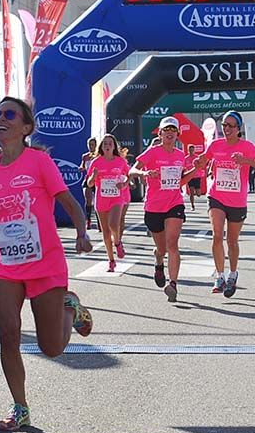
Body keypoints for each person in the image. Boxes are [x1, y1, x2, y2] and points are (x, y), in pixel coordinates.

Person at [0, 97, 93, 432]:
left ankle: (71, 307)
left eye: (9, 114)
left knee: (51, 347)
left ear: (26, 127)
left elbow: (69, 202)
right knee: (8, 333)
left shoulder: (39, 163)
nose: (0, 118)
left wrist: (82, 232)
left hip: (45, 262)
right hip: (7, 263)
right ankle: (20, 406)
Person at [195, 110, 255, 297]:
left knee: (232, 240)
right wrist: (199, 161)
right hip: (217, 196)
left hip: (237, 200)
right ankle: (219, 276)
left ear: (238, 129)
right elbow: (204, 159)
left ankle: (233, 274)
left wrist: (244, 161)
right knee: (217, 234)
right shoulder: (215, 145)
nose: (226, 129)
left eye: (230, 126)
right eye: (224, 125)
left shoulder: (248, 147)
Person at [129, 117, 191, 303]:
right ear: (161, 133)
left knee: (172, 244)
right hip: (154, 206)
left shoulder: (180, 155)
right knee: (162, 248)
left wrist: (195, 170)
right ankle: (158, 261)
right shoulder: (153, 152)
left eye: (173, 129)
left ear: (177, 134)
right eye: (166, 129)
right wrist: (144, 173)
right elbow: (132, 170)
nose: (170, 132)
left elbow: (180, 181)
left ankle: (173, 284)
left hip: (175, 202)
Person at [85, 134, 131, 272]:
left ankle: (117, 242)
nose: (107, 145)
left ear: (114, 146)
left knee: (113, 224)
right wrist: (93, 177)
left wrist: (124, 184)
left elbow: (129, 176)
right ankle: (111, 260)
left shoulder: (120, 161)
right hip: (101, 199)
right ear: (102, 146)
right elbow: (89, 183)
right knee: (105, 232)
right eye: (105, 143)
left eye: (110, 143)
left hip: (117, 198)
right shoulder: (96, 162)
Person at [79, 137, 97, 231]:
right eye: (89, 145)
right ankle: (88, 220)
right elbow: (82, 165)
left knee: (98, 201)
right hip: (88, 179)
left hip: (97, 180)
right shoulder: (85, 156)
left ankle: (99, 221)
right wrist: (81, 168)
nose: (90, 147)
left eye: (92, 145)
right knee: (88, 199)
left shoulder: (98, 156)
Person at [183, 143, 202, 211]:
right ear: (188, 150)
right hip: (189, 177)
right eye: (190, 150)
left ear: (194, 150)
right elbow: (184, 167)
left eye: (192, 150)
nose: (191, 151)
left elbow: (201, 166)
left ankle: (197, 192)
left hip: (197, 176)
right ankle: (192, 206)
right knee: (191, 192)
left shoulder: (197, 157)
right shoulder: (186, 158)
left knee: (198, 194)